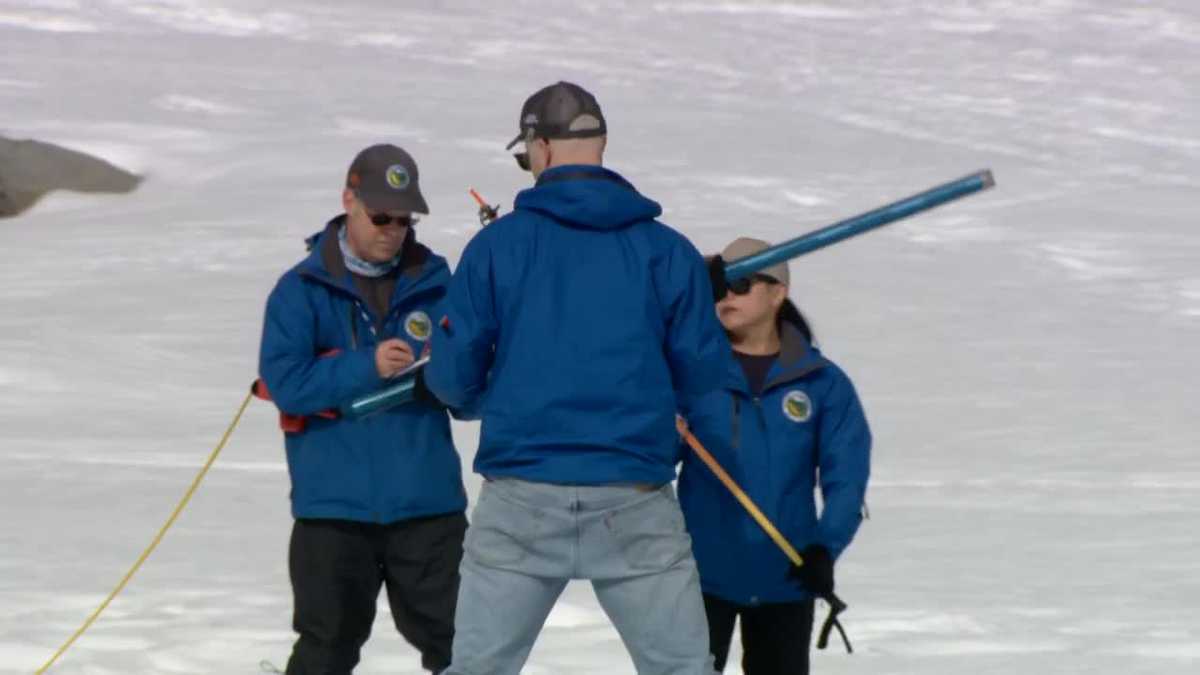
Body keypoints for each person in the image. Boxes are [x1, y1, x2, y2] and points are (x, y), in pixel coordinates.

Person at [425, 81, 730, 675]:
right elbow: (706, 377)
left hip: (521, 492)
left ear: (539, 148)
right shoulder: (667, 253)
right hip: (635, 494)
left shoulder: (497, 247)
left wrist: (492, 398)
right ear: (603, 143)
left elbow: (451, 373)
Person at [258, 144, 467, 674]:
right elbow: (287, 384)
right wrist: (365, 366)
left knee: (464, 648)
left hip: (428, 507)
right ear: (348, 200)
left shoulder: (440, 285)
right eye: (380, 216)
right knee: (325, 649)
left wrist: (450, 374)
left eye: (404, 219)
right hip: (333, 512)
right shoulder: (299, 291)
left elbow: (472, 389)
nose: (393, 229)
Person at [678, 237, 872, 675]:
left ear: (778, 293)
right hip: (697, 579)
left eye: (742, 283)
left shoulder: (823, 384)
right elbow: (650, 458)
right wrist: (662, 428)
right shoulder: (690, 373)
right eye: (719, 286)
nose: (727, 295)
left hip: (786, 578)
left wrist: (825, 547)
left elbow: (847, 478)